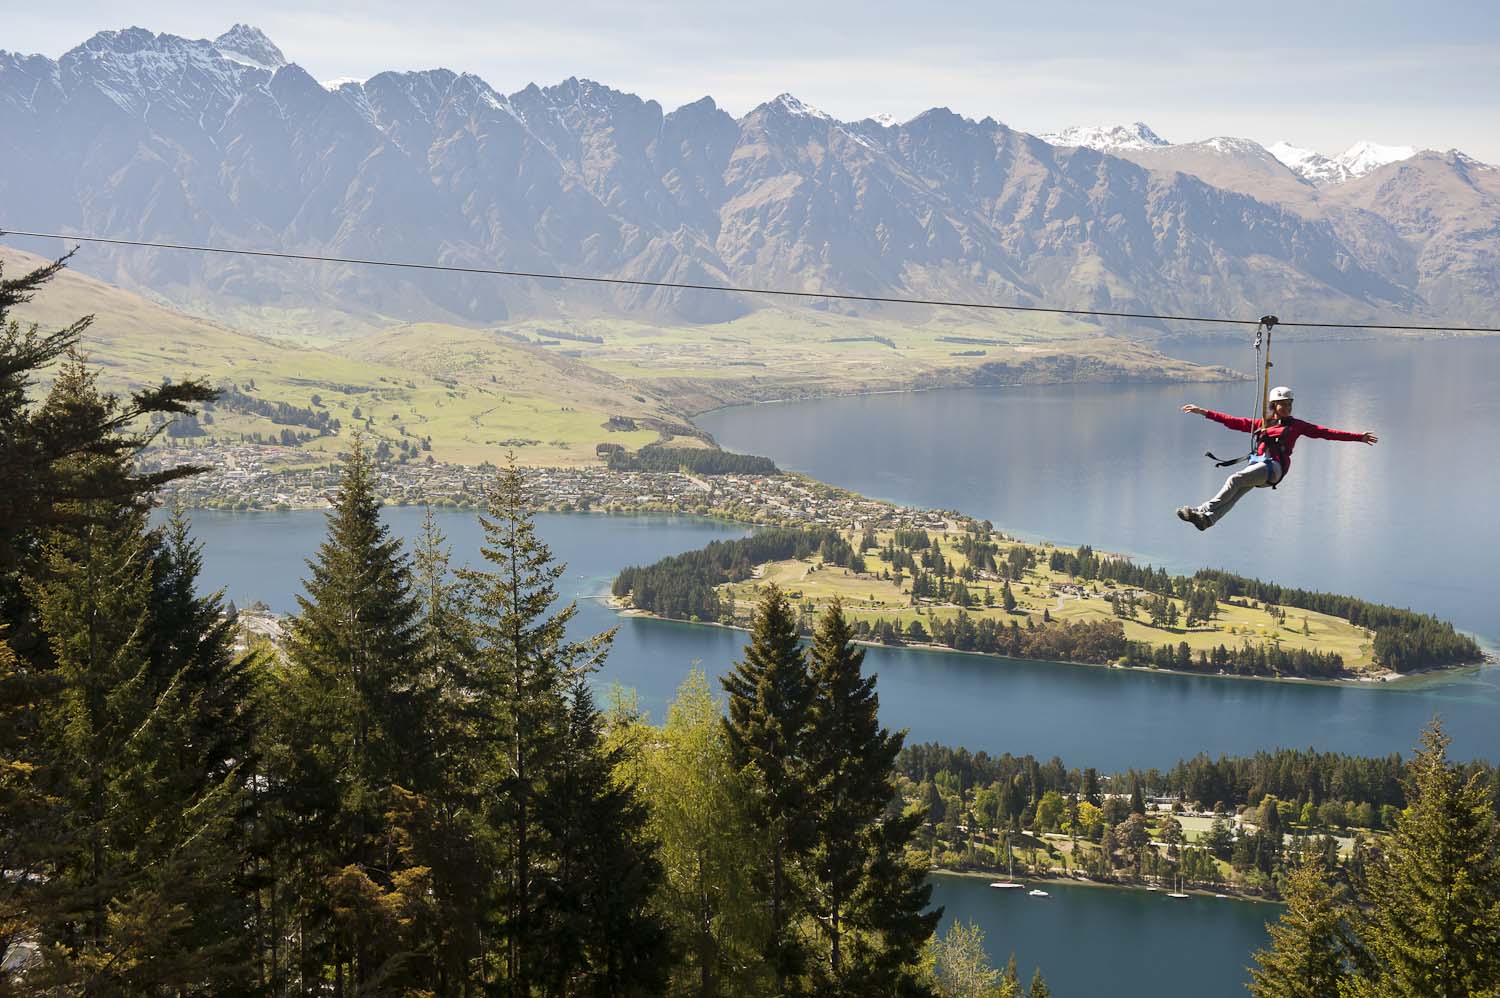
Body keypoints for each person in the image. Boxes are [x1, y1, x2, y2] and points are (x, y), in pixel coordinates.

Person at [1176, 386, 1377, 530]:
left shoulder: (1297, 425)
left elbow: (1326, 432)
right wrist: (1204, 412)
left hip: (1274, 467)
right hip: (1260, 466)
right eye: (1283, 404)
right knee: (1236, 493)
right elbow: (1233, 422)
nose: (1288, 408)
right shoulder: (1263, 423)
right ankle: (1207, 521)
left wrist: (1358, 437)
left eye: (1289, 404)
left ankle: (1202, 510)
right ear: (1274, 405)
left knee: (1235, 480)